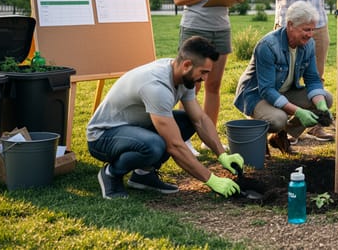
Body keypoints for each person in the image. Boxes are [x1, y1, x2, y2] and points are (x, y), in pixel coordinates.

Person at [86, 36, 244, 200]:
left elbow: (200, 120)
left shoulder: (183, 76)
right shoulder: (156, 87)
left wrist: (222, 154)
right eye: (203, 72)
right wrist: (211, 179)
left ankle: (143, 175)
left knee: (187, 121)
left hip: (134, 128)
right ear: (187, 65)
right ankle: (111, 173)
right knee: (155, 145)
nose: (204, 78)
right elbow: (174, 145)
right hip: (103, 136)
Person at [264, 0, 337, 142]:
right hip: (289, 26)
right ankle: (279, 123)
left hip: (318, 25)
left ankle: (306, 128)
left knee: (317, 80)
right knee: (282, 81)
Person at [174, 0, 245, 152]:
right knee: (191, 86)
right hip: (195, 28)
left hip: (221, 28)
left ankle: (209, 139)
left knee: (214, 86)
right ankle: (184, 140)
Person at [233, 1, 334, 155]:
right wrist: (299, 112)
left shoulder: (308, 44)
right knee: (278, 119)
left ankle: (279, 136)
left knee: (325, 98)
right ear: (290, 25)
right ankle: (256, 131)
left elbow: (313, 79)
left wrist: (321, 107)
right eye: (306, 29)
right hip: (256, 94)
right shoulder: (268, 45)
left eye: (312, 29)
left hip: (282, 91)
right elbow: (266, 90)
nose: (310, 34)